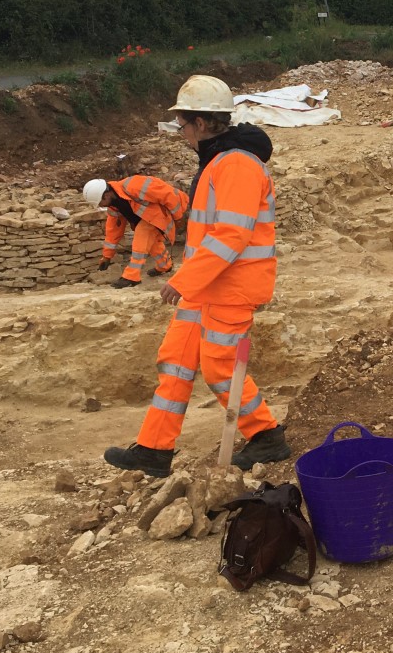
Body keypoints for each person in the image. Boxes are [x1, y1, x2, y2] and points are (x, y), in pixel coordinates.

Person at [103, 75, 291, 476]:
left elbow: (233, 234)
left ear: (203, 122)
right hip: (209, 284)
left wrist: (184, 280)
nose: (182, 133)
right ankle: (154, 449)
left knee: (221, 365)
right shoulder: (220, 160)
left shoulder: (237, 163)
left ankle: (265, 436)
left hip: (231, 286)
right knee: (176, 360)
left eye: (184, 124)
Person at [82, 176, 188, 288]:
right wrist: (107, 256)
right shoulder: (113, 206)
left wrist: (178, 217)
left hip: (167, 210)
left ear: (106, 194)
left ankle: (131, 276)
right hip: (150, 217)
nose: (100, 206)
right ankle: (165, 266)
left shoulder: (134, 185)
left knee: (141, 235)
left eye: (100, 203)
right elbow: (113, 231)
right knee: (153, 244)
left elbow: (168, 195)